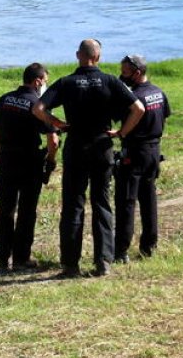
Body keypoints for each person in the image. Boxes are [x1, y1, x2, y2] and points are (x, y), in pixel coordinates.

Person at [33, 38, 145, 278]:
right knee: (101, 202)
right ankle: (103, 261)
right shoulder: (110, 81)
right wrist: (123, 132)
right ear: (98, 57)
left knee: (73, 204)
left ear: (78, 55)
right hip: (102, 145)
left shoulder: (66, 82)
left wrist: (58, 123)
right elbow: (139, 108)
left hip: (76, 146)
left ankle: (71, 265)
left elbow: (38, 109)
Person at [0, 62, 59, 272]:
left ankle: (2, 258)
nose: (44, 86)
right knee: (27, 211)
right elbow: (53, 140)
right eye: (44, 82)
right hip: (30, 162)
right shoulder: (38, 105)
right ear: (37, 81)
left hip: (7, 159)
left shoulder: (5, 99)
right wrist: (51, 159)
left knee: (6, 210)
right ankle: (21, 258)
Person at [114, 54, 171, 263]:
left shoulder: (133, 98)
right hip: (154, 151)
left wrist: (121, 133)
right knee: (149, 200)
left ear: (137, 73)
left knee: (126, 202)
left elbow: (122, 120)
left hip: (134, 152)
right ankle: (149, 247)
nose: (121, 76)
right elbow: (164, 116)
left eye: (125, 72)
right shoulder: (158, 92)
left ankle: (120, 251)